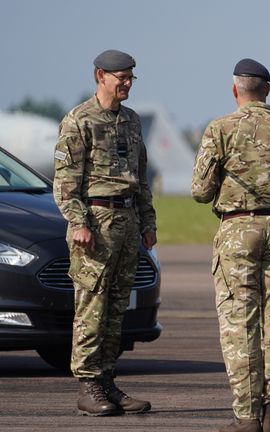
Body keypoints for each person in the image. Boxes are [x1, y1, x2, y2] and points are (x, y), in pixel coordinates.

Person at [191, 58, 270, 432]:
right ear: (267, 90)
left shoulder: (220, 129)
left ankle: (246, 416)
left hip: (236, 230)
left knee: (239, 322)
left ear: (235, 90)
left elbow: (200, 192)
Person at [53, 49, 156, 416]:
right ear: (100, 76)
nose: (127, 83)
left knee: (116, 308)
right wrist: (79, 222)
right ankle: (87, 384)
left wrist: (148, 222)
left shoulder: (131, 120)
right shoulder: (79, 120)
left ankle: (107, 381)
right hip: (95, 222)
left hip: (127, 221)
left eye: (130, 77)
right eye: (121, 77)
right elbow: (66, 181)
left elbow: (140, 175)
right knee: (92, 306)